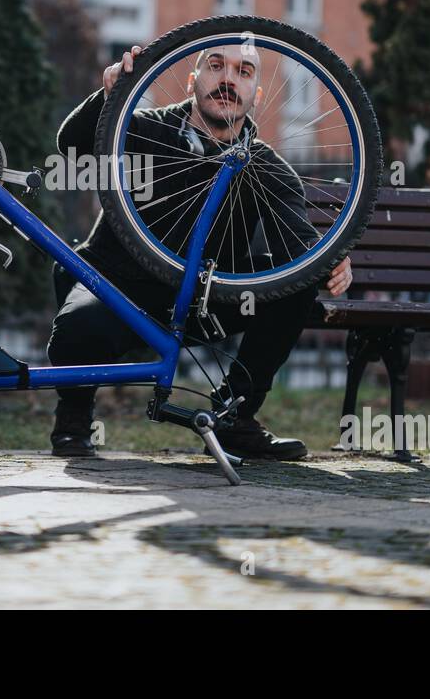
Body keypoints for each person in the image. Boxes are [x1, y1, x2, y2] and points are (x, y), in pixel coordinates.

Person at [46, 44, 354, 461]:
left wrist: (328, 259)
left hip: (203, 299)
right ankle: (73, 422)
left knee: (291, 288)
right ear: (192, 82)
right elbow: (72, 146)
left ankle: (236, 419)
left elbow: (295, 246)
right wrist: (109, 97)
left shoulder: (267, 166)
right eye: (216, 66)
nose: (228, 79)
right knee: (79, 327)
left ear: (256, 95)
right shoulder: (145, 130)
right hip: (119, 288)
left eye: (244, 72)